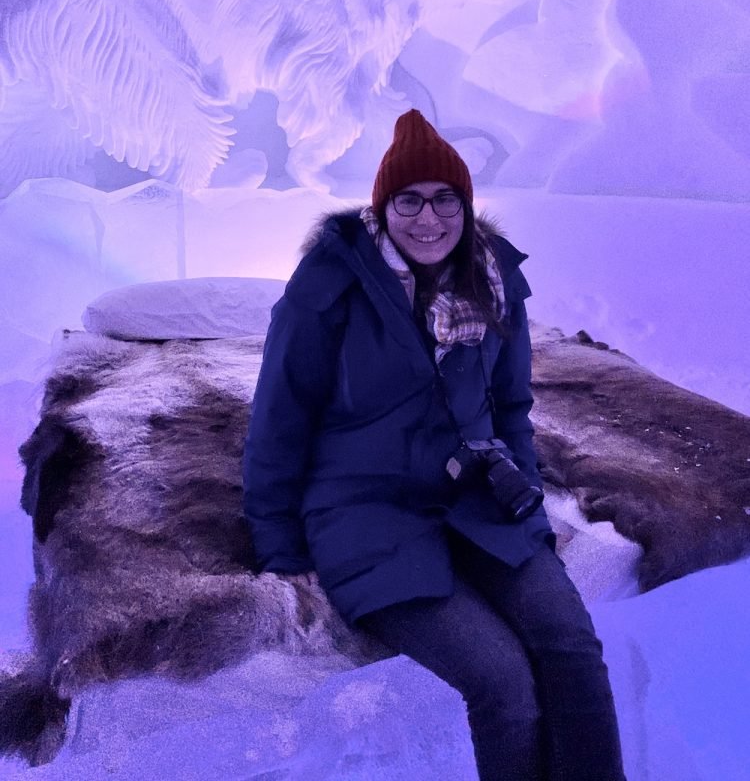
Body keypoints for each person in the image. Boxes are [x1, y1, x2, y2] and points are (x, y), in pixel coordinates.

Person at [243, 109, 627, 781]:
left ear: (467, 205)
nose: (429, 219)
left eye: (446, 198)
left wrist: (528, 499)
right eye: (409, 200)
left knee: (570, 646)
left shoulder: (494, 277)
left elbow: (510, 406)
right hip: (367, 514)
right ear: (382, 208)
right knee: (504, 684)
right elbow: (279, 422)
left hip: (479, 499)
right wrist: (282, 552)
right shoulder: (326, 288)